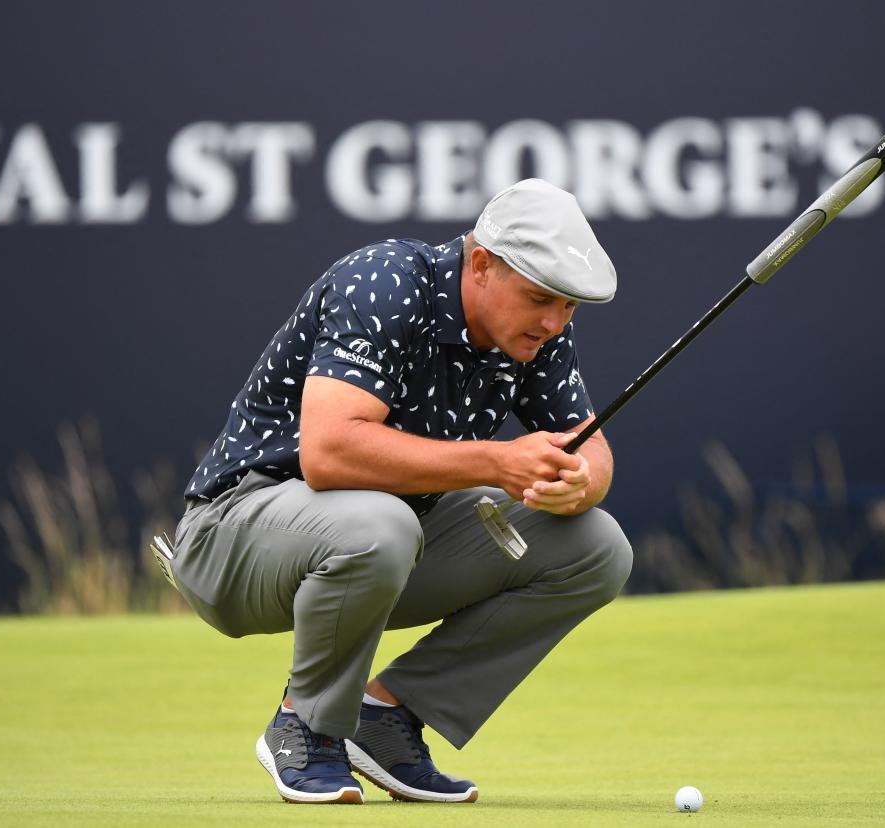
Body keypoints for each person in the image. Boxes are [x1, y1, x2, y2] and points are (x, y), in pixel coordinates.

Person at [161, 178, 634, 805]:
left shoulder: (535, 333)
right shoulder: (386, 280)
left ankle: (388, 716)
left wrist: (581, 480)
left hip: (381, 541)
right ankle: (306, 723)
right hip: (235, 532)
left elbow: (590, 446)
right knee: (381, 525)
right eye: (541, 298)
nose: (553, 320)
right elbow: (328, 453)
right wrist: (499, 462)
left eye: (569, 307)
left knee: (595, 546)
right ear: (484, 264)